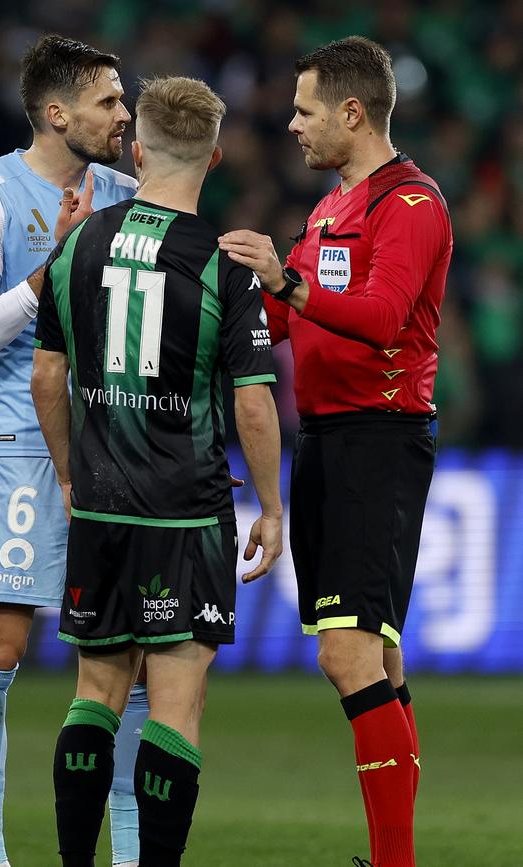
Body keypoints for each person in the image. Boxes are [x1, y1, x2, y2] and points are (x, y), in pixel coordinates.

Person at [31, 75, 283, 867]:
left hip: (102, 508)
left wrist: (72, 478)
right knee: (177, 703)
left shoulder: (75, 244)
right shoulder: (225, 264)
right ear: (211, 159)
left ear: (138, 151)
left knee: (95, 693)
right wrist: (271, 507)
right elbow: (252, 405)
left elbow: (46, 376)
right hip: (185, 512)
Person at [219, 36, 452, 867]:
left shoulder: (414, 205)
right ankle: (399, 857)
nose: (291, 125)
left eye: (306, 109)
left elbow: (385, 315)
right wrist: (220, 311)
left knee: (344, 651)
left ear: (353, 113)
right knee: (378, 655)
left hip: (377, 442)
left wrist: (286, 282)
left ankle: (395, 863)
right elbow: (284, 322)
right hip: (324, 440)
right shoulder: (327, 211)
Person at [0, 34, 147, 867]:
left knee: (125, 659)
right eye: (108, 100)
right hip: (20, 447)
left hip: (118, 451)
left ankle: (134, 851)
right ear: (57, 112)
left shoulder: (131, 193)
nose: (124, 111)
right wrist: (51, 269)